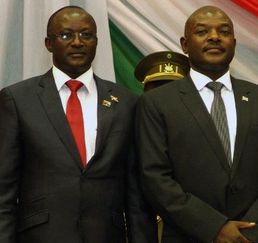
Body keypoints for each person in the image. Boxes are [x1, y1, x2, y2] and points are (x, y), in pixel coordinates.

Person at [136, 5, 258, 243]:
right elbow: (155, 177)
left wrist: (248, 234)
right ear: (184, 44)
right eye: (202, 31)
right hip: (187, 236)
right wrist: (215, 228)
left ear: (234, 42)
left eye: (224, 31)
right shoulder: (157, 102)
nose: (214, 37)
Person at [0, 6, 156, 243]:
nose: (77, 42)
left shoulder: (127, 102)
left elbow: (136, 192)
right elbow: (4, 191)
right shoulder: (17, 99)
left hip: (106, 235)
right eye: (65, 35)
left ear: (96, 41)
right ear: (48, 43)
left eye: (86, 35)